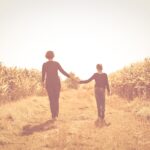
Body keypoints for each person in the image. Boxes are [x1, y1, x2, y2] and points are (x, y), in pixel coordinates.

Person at [42, 50, 71, 121]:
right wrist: (70, 77)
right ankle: (56, 116)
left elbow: (43, 75)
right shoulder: (56, 63)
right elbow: (62, 71)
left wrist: (43, 84)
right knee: (56, 99)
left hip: (49, 84)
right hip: (56, 84)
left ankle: (53, 115)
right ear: (53, 56)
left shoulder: (44, 64)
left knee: (51, 100)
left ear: (46, 56)